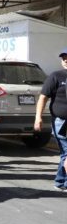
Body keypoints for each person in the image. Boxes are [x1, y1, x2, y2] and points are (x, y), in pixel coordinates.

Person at [35, 48, 67, 192]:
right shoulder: (56, 76)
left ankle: (60, 181)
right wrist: (38, 118)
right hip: (61, 121)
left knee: (65, 154)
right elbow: (43, 98)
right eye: (64, 57)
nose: (65, 60)